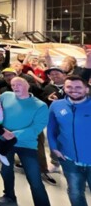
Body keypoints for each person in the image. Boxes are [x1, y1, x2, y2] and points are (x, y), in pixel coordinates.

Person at [0, 77, 50, 206]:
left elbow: (36, 127)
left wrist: (13, 134)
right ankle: (9, 196)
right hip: (4, 142)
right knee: (6, 171)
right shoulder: (5, 96)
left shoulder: (40, 105)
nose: (15, 87)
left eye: (19, 84)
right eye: (13, 84)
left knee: (34, 178)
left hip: (27, 145)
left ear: (28, 86)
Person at [48, 75, 91, 206]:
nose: (74, 90)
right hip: (69, 159)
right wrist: (54, 148)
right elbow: (51, 129)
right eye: (69, 87)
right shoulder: (56, 105)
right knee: (75, 192)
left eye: (78, 87)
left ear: (87, 89)